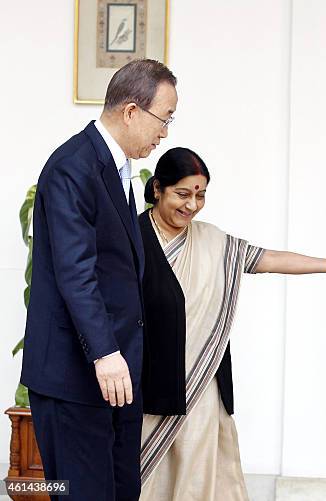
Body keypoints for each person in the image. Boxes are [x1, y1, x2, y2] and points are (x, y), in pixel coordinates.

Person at [138, 147, 326, 500]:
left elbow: (268, 259)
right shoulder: (131, 240)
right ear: (157, 190)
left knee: (199, 478)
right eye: (182, 194)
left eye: (201, 195)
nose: (192, 205)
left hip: (201, 384)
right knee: (145, 478)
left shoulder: (213, 241)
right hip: (145, 384)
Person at [20, 59, 178, 501]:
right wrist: (106, 352)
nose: (164, 132)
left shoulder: (117, 168)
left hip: (115, 377)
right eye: (163, 119)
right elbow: (77, 271)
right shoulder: (73, 166)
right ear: (131, 111)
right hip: (77, 375)